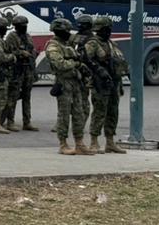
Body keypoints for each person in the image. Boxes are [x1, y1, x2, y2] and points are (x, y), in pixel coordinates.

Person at [45, 17, 91, 155]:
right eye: (67, 31)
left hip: (75, 83)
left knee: (79, 113)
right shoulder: (53, 46)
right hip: (64, 83)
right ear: (59, 31)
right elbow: (60, 65)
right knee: (64, 115)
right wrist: (76, 64)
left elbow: (77, 58)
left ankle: (79, 143)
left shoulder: (67, 45)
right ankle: (63, 144)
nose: (69, 33)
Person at [83, 16, 129, 154]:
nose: (105, 32)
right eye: (103, 30)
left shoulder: (111, 44)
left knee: (113, 113)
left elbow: (119, 61)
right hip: (100, 83)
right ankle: (94, 142)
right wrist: (98, 71)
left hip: (114, 83)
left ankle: (110, 142)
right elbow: (85, 59)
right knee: (99, 112)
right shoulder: (93, 43)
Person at [2, 14, 39, 131]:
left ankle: (27, 122)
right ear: (16, 26)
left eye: (25, 25)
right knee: (13, 96)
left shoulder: (27, 36)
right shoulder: (11, 36)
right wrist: (21, 53)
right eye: (22, 25)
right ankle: (10, 122)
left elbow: (32, 49)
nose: (24, 27)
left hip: (28, 69)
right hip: (17, 70)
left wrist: (32, 54)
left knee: (27, 96)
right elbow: (9, 51)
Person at [71, 14, 96, 134]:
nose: (80, 26)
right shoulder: (77, 36)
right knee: (71, 98)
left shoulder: (92, 39)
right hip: (75, 70)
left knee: (83, 99)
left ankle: (81, 123)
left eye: (82, 24)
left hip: (85, 72)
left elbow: (88, 56)